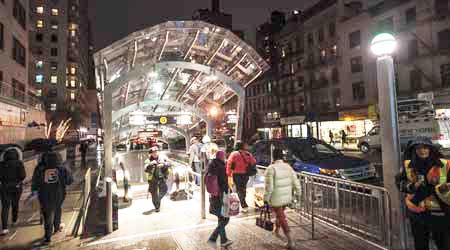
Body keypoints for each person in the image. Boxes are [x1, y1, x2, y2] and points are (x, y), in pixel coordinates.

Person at [398, 137, 450, 250]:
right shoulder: (408, 165)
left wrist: (440, 189)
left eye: (425, 147)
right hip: (417, 214)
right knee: (420, 245)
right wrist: (411, 186)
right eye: (418, 148)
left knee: (444, 245)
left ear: (431, 149)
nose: (422, 151)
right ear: (414, 150)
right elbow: (400, 183)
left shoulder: (445, 164)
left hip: (440, 214)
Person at [31, 151, 73, 245]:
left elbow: (35, 182)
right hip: (59, 195)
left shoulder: (40, 169)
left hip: (44, 195)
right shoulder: (62, 168)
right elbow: (69, 181)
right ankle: (57, 227)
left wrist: (34, 191)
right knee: (57, 209)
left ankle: (47, 237)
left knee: (47, 215)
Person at [264, 148, 301, 249]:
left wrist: (266, 198)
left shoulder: (271, 168)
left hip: (276, 198)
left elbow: (269, 187)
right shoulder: (288, 167)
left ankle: (290, 240)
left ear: (273, 156)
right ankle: (276, 230)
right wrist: (298, 193)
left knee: (281, 217)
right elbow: (295, 182)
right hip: (286, 197)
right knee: (280, 215)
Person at [207, 151, 233, 248]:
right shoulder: (222, 167)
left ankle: (223, 240)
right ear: (222, 157)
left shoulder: (211, 165)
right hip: (221, 196)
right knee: (225, 218)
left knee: (220, 218)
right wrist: (230, 191)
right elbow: (224, 184)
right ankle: (212, 238)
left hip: (213, 195)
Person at [0, 147, 26, 235]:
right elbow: (23, 175)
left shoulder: (1, 164)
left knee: (5, 207)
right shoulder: (19, 163)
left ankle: (4, 228)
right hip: (17, 187)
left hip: (4, 187)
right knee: (15, 204)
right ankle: (14, 220)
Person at [226, 141, 256, 213]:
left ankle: (244, 205)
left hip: (237, 174)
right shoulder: (247, 153)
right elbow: (254, 162)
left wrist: (229, 174)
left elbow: (229, 164)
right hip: (245, 174)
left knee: (239, 189)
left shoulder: (234, 154)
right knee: (243, 188)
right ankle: (244, 203)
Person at [144, 147, 171, 212]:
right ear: (150, 154)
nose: (155, 153)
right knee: (154, 194)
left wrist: (163, 164)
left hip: (162, 178)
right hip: (152, 179)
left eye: (156, 152)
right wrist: (150, 164)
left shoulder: (163, 158)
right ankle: (157, 207)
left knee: (164, 190)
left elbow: (170, 164)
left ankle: (158, 200)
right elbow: (145, 169)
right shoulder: (148, 160)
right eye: (153, 153)